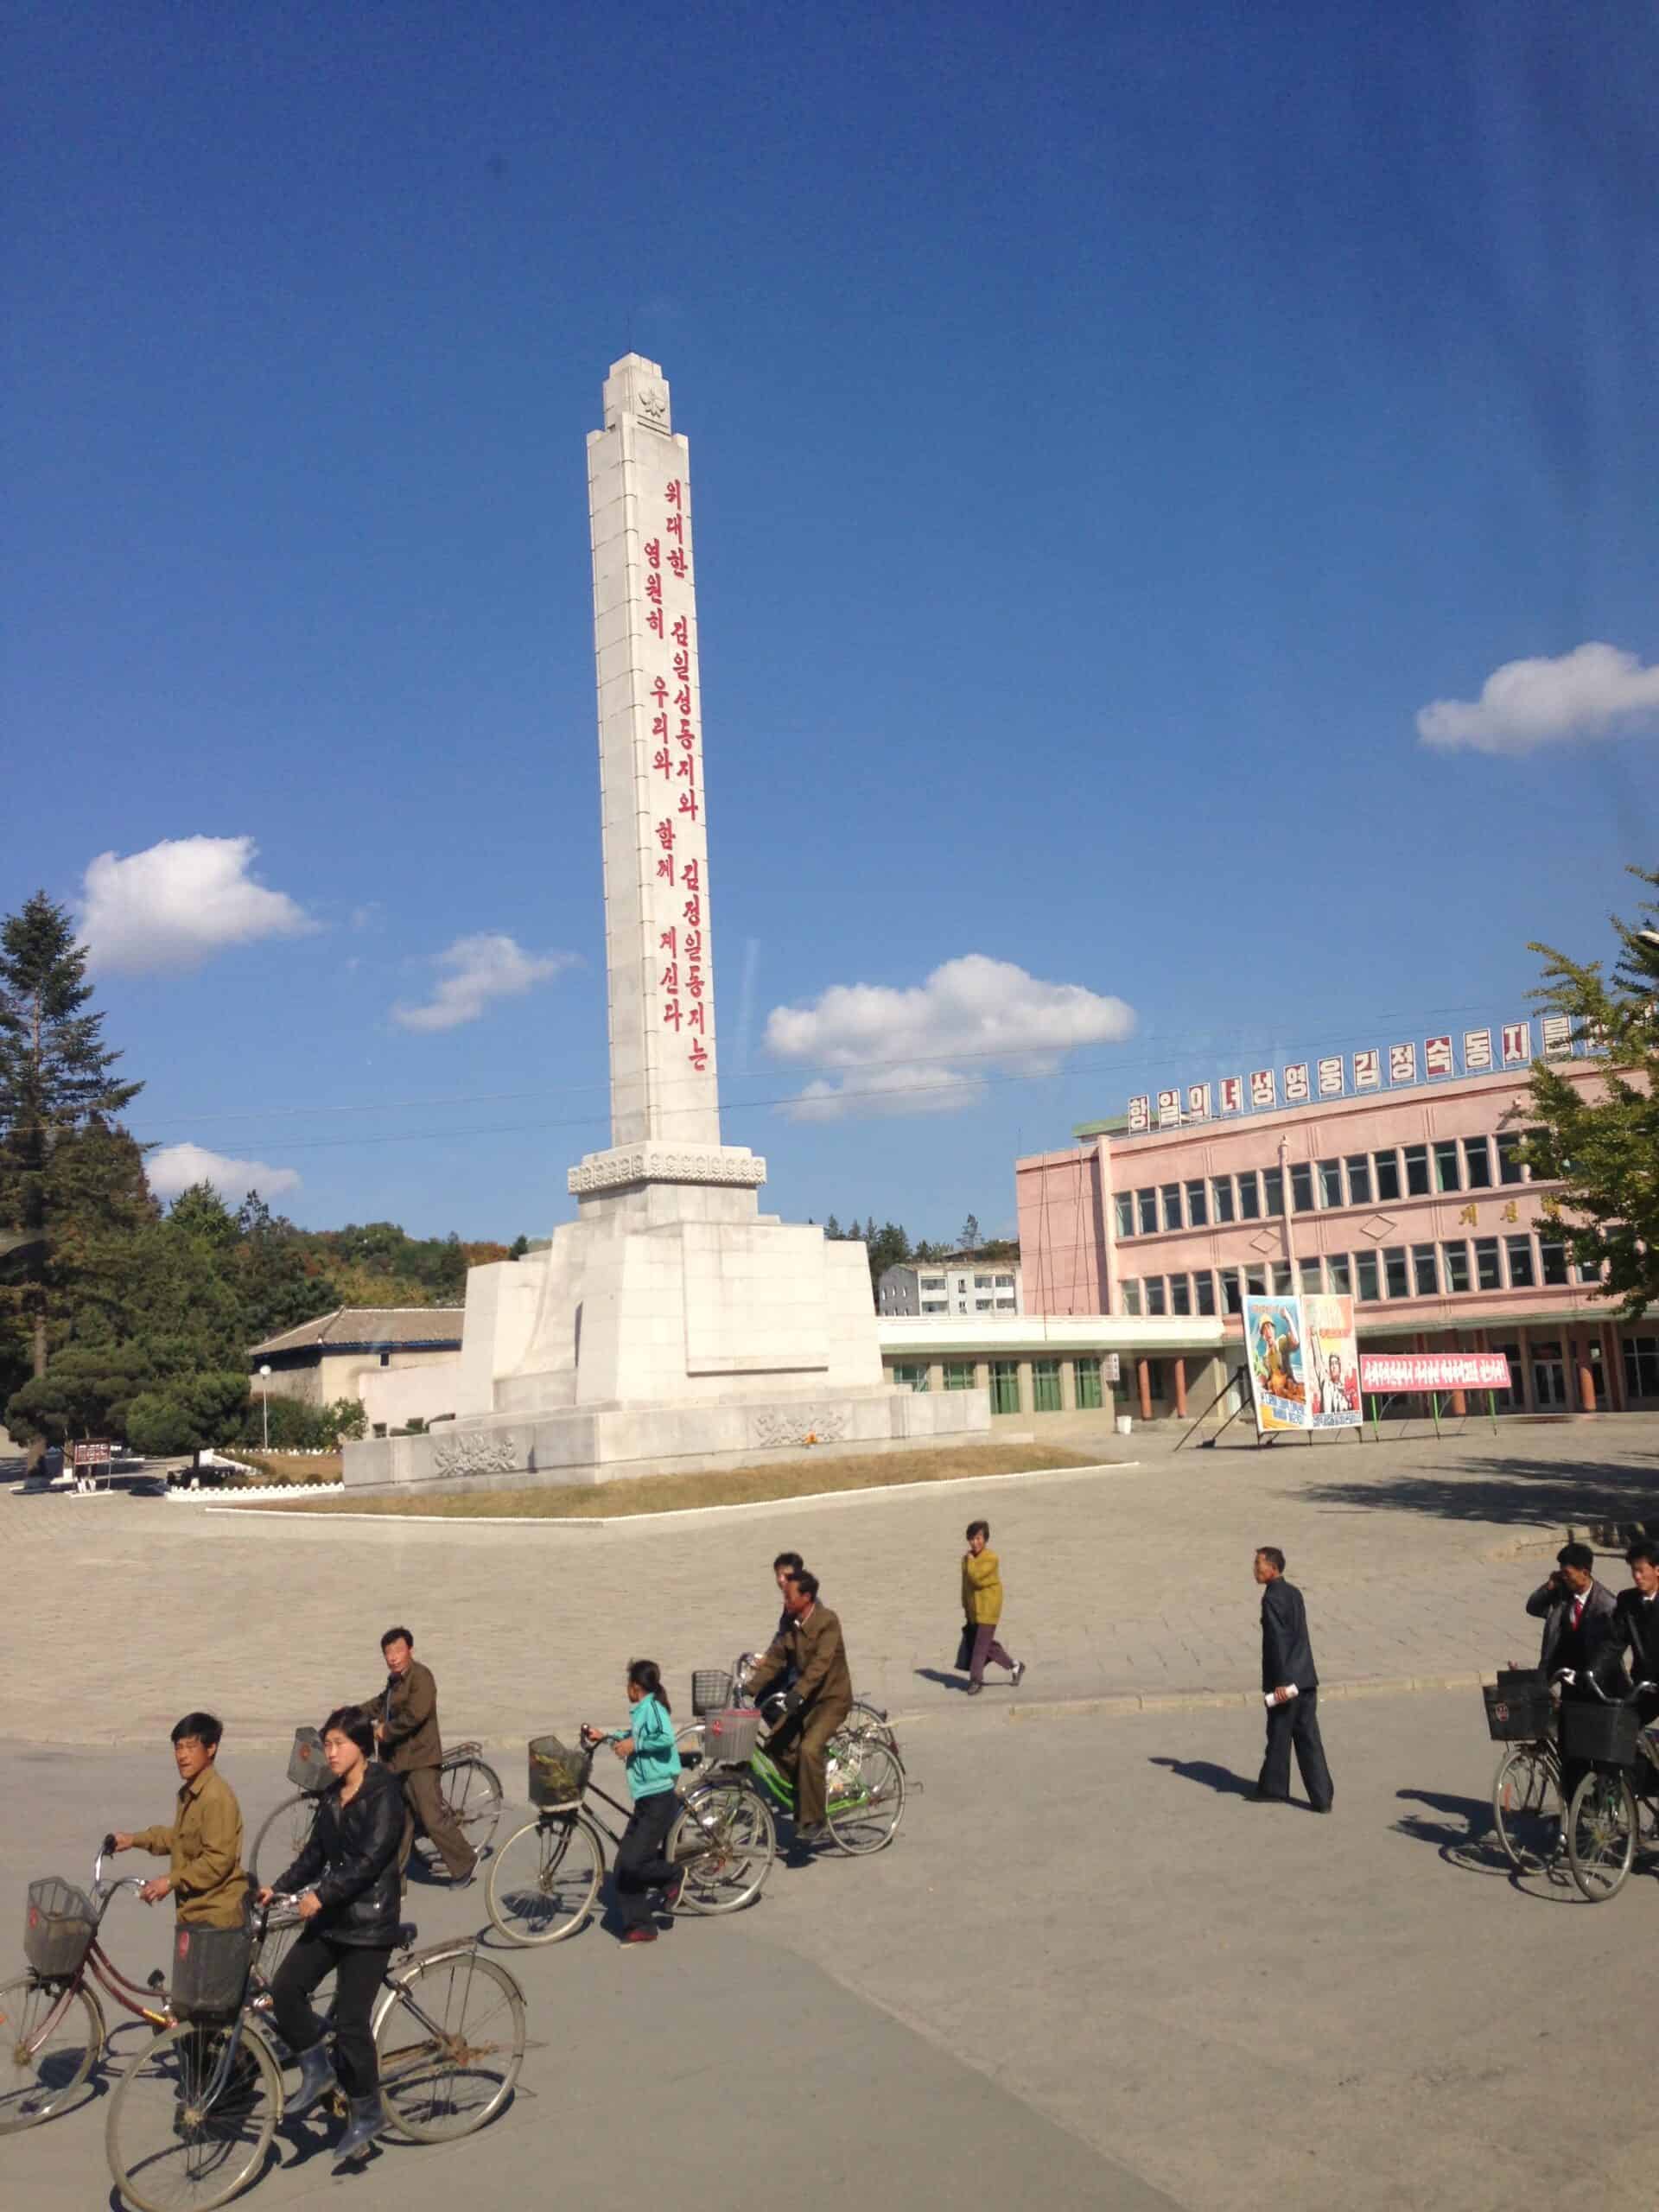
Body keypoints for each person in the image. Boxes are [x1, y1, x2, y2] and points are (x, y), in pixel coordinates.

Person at [258, 1705, 404, 2171]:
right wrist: (277, 1888)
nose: (332, 1752)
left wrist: (321, 1896)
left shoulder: (385, 1794)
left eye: (339, 1743)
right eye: (328, 1744)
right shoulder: (330, 1795)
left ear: (362, 1746)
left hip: (368, 1925)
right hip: (332, 1915)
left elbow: (369, 1861)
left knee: (351, 2026)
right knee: (285, 1990)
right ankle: (318, 2070)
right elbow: (315, 1854)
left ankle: (366, 2112)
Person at [111, 1712, 249, 1929]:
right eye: (178, 1748)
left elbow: (217, 1861)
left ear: (211, 1748)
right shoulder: (193, 1791)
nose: (182, 1756)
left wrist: (169, 1881)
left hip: (215, 1918)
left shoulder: (215, 1796)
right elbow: (180, 1838)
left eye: (190, 1747)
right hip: (194, 1914)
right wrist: (133, 1840)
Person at [747, 1569, 853, 1850]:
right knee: (774, 1744)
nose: (784, 1599)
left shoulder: (828, 1621)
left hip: (831, 1700)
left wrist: (798, 1693)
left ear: (806, 1597)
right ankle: (807, 1790)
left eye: (788, 1595)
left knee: (808, 1749)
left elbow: (820, 1665)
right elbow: (776, 1659)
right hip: (806, 1700)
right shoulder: (793, 1624)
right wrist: (750, 1688)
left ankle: (814, 1818)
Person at [363, 1625, 476, 1885]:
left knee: (432, 1817)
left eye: (398, 1651)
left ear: (410, 1651)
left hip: (420, 1760)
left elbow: (416, 1715)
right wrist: (350, 1713)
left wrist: (386, 1732)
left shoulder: (421, 1677)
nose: (392, 1657)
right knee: (399, 1822)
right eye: (388, 1653)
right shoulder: (394, 1681)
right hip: (396, 1763)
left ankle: (465, 1863)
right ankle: (395, 1879)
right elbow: (378, 1704)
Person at [581, 1660, 682, 1946]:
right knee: (624, 1866)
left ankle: (673, 1875)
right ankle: (641, 1925)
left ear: (635, 1687)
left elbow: (664, 1737)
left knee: (633, 1861)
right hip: (646, 1798)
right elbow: (636, 1736)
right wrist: (607, 1737)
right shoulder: (641, 1710)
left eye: (627, 1684)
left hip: (660, 1797)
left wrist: (634, 1746)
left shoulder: (654, 1708)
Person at [1525, 1541, 1623, 1814]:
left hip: (1598, 1686)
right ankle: (1576, 1810)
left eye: (1567, 1573)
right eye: (1561, 1573)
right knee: (1570, 1752)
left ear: (1584, 1572)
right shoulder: (1561, 1596)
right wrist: (1550, 1586)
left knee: (1597, 1753)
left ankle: (1604, 1806)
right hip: (1567, 1680)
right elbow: (1532, 1607)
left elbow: (1612, 1649)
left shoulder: (1607, 1604)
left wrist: (1591, 1674)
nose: (1564, 1577)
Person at [1252, 1548, 1333, 1813]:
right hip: (1306, 1678)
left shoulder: (1271, 1599)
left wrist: (1282, 1682)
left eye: (1259, 1565)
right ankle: (1322, 1798)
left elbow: (1278, 1642)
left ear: (1273, 1569)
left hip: (1286, 1683)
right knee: (1309, 1738)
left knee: (1278, 1734)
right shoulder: (1294, 1593)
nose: (1255, 1569)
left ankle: (1273, 1789)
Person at [960, 1520, 1026, 1696]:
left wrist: (971, 1562)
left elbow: (977, 1579)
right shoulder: (967, 1559)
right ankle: (1015, 1666)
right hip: (974, 1610)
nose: (975, 1542)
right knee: (987, 1645)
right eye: (972, 1539)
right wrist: (965, 1606)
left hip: (989, 1608)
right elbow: (966, 1585)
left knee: (980, 1647)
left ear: (985, 1539)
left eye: (979, 1538)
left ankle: (975, 1681)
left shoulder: (991, 1558)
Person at [1613, 1541, 1659, 1725]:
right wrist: (1595, 1671)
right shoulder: (1627, 1600)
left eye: (1641, 1571)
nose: (1637, 1577)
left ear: (1657, 1569)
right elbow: (1614, 1642)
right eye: (1634, 1571)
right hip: (1645, 1683)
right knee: (1626, 1728)